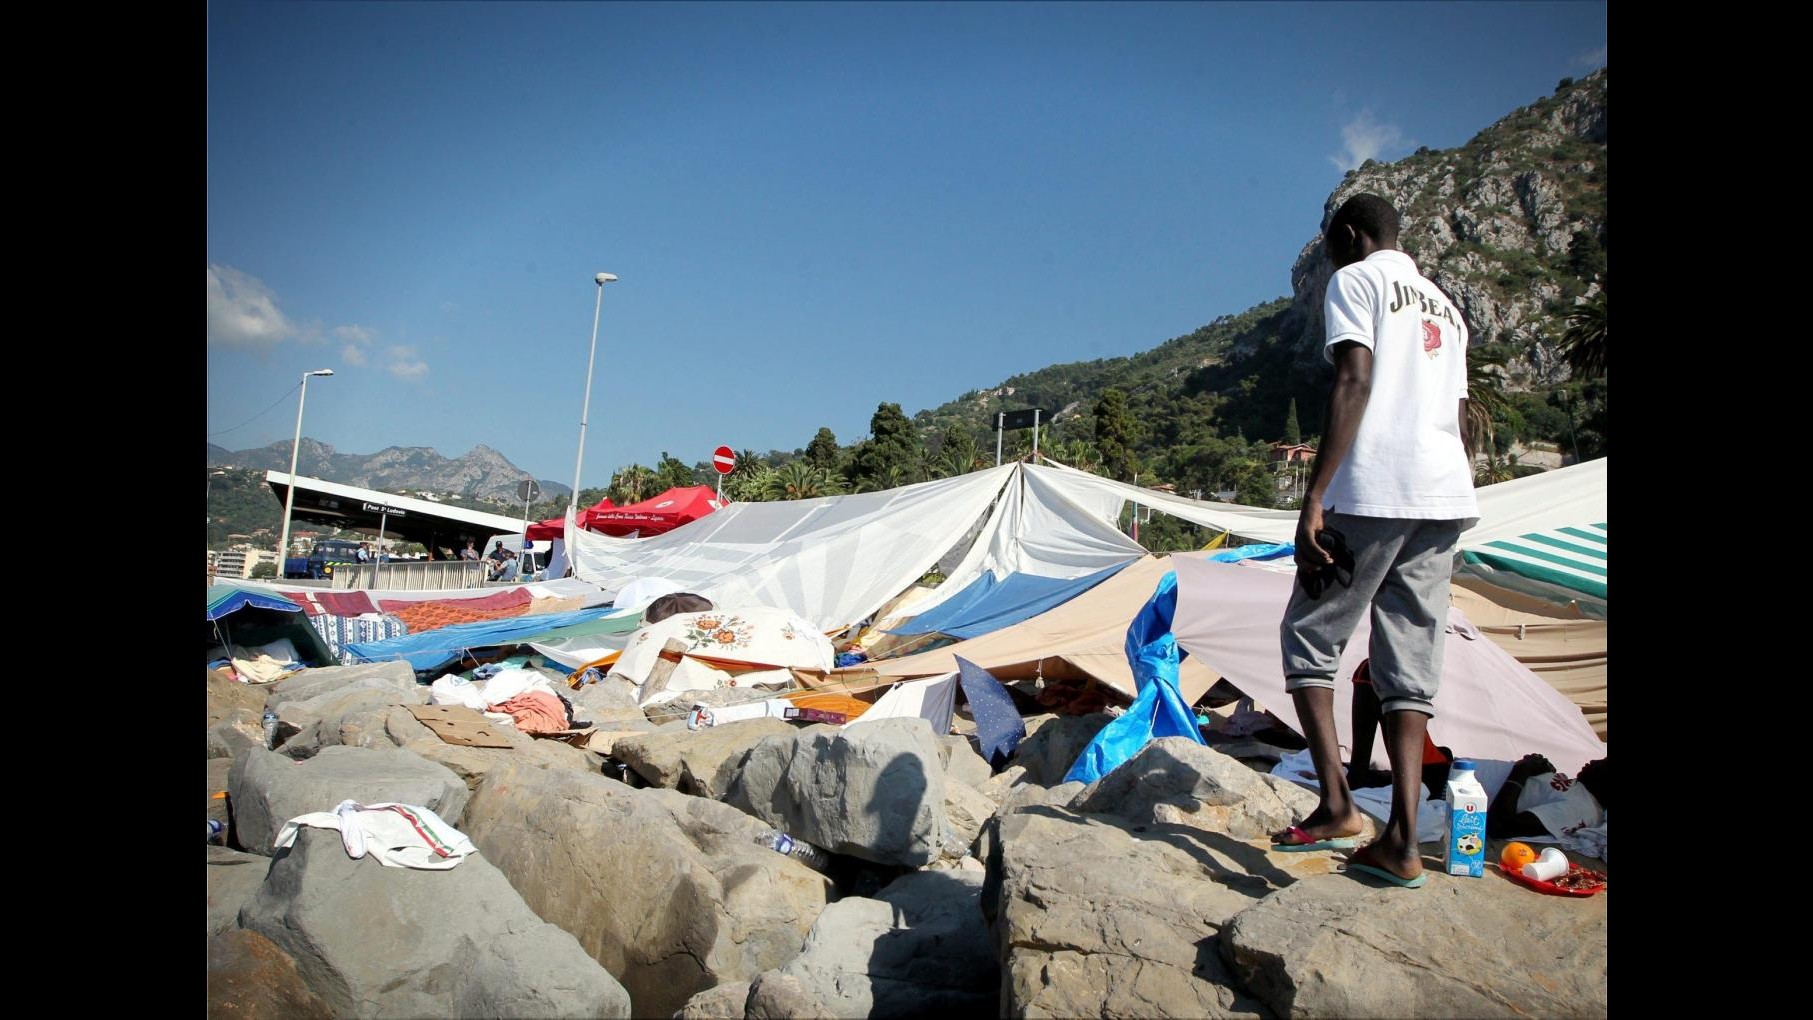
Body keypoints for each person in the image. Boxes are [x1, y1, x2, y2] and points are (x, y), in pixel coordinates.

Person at [1269, 193, 1478, 889]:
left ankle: (1336, 806)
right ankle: (1404, 842)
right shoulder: (1445, 306)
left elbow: (1353, 379)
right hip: (1444, 495)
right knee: (1409, 660)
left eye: (1331, 247)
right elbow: (1453, 409)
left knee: (1308, 635)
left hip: (1376, 488)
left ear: (1351, 236)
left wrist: (1316, 496)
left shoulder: (1354, 280)